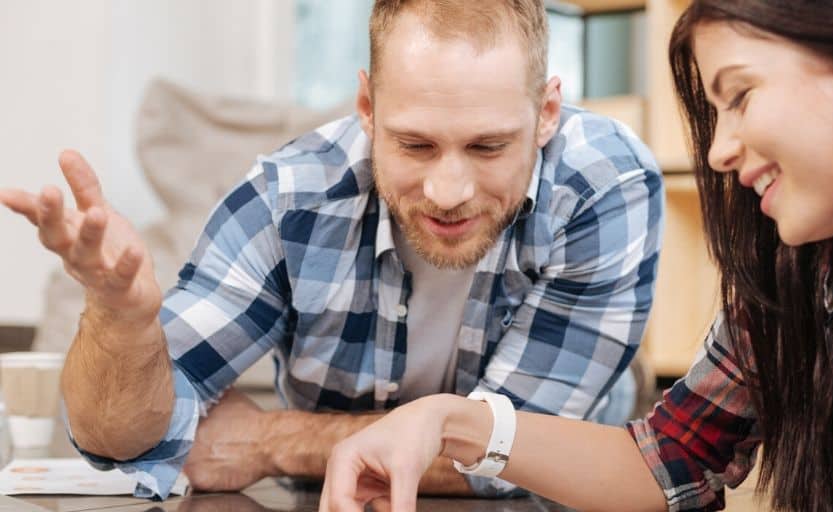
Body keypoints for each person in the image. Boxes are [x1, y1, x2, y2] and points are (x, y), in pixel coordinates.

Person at [316, 0, 833, 511]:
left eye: (739, 95)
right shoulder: (808, 255)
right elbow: (672, 457)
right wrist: (447, 420)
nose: (718, 150)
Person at [0, 0, 664, 501]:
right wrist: (122, 321)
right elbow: (119, 438)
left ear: (547, 112)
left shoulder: (608, 184)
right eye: (415, 145)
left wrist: (271, 439)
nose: (448, 191)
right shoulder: (288, 195)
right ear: (367, 106)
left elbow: (516, 454)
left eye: (488, 147)